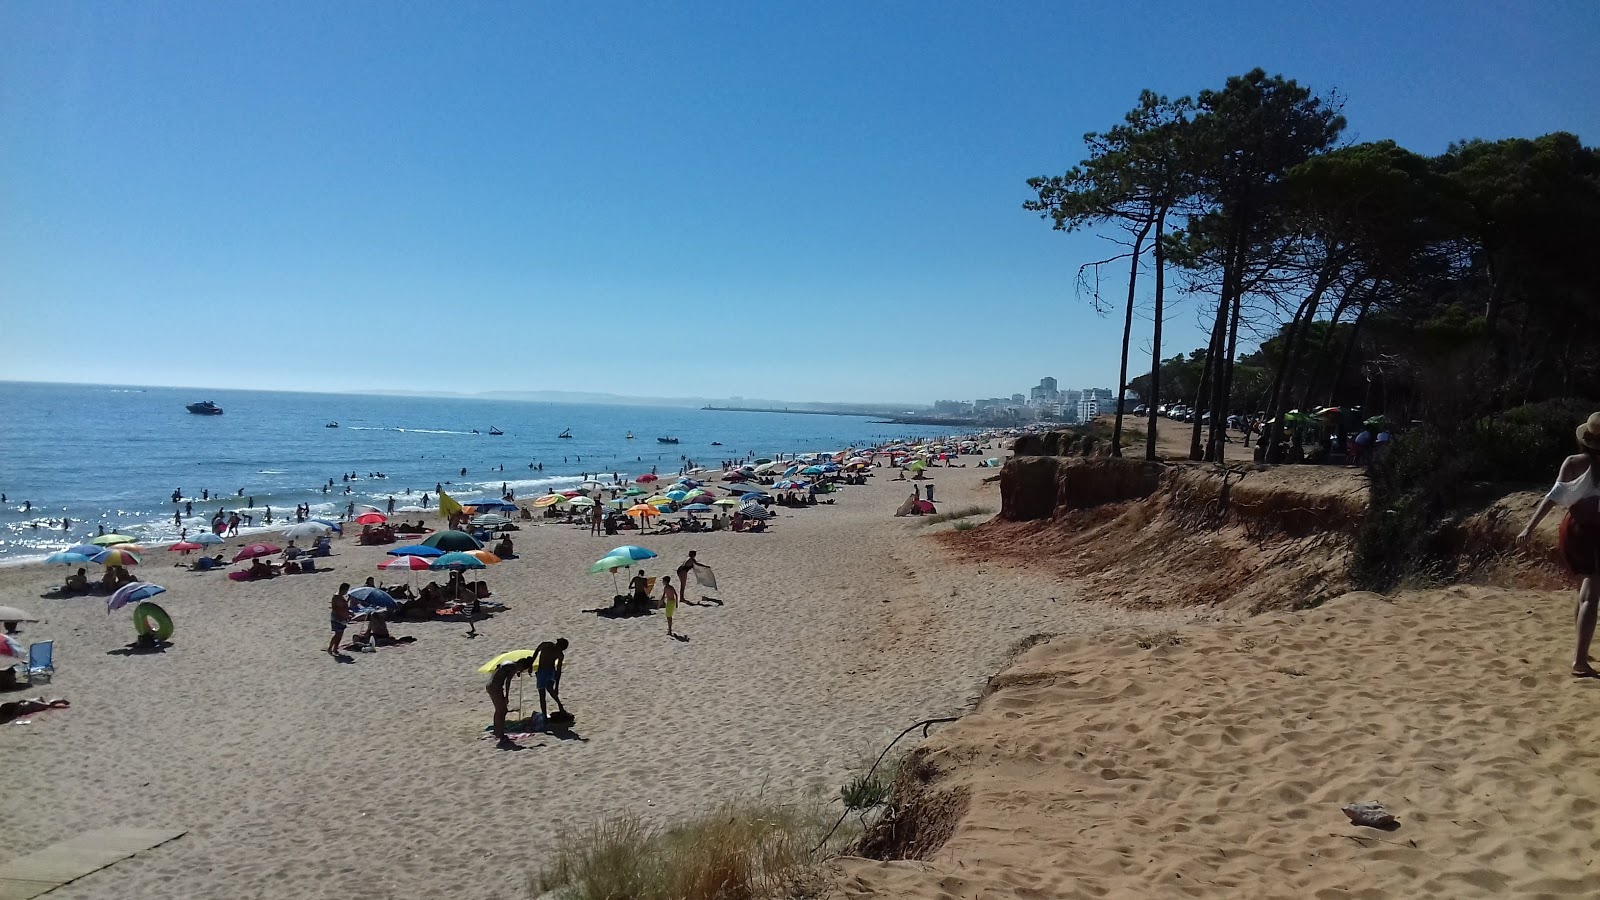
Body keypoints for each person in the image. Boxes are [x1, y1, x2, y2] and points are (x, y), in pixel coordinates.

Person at [1518, 412, 1600, 677]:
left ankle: (1582, 649)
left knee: (1583, 587)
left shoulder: (1572, 462)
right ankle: (1579, 660)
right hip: (1595, 531)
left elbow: (1552, 498)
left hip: (1572, 529)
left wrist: (1529, 527)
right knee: (1591, 592)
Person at [486, 654, 535, 742]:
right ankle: (500, 733)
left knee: (499, 710)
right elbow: (508, 681)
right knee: (502, 711)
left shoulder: (508, 662)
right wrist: (506, 696)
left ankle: (497, 731)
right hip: (495, 686)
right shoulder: (513, 666)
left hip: (491, 685)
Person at [533, 638, 568, 724]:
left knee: (549, 688)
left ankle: (560, 705)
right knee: (542, 694)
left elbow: (559, 670)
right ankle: (544, 715)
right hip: (541, 670)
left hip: (550, 671)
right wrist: (531, 664)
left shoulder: (560, 654)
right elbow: (537, 650)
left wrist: (557, 686)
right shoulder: (546, 645)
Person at [328, 584, 351, 655]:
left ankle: (334, 648)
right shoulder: (337, 597)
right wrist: (345, 616)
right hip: (337, 618)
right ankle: (331, 648)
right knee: (337, 634)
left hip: (339, 618)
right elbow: (339, 609)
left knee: (339, 635)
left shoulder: (339, 597)